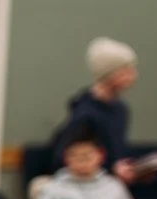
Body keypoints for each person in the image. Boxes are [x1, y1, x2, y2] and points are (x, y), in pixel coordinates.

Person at [52, 38, 143, 184]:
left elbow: (117, 152)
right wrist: (111, 169)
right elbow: (64, 159)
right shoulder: (84, 114)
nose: (133, 76)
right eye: (126, 70)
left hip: (112, 185)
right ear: (110, 74)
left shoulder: (121, 110)